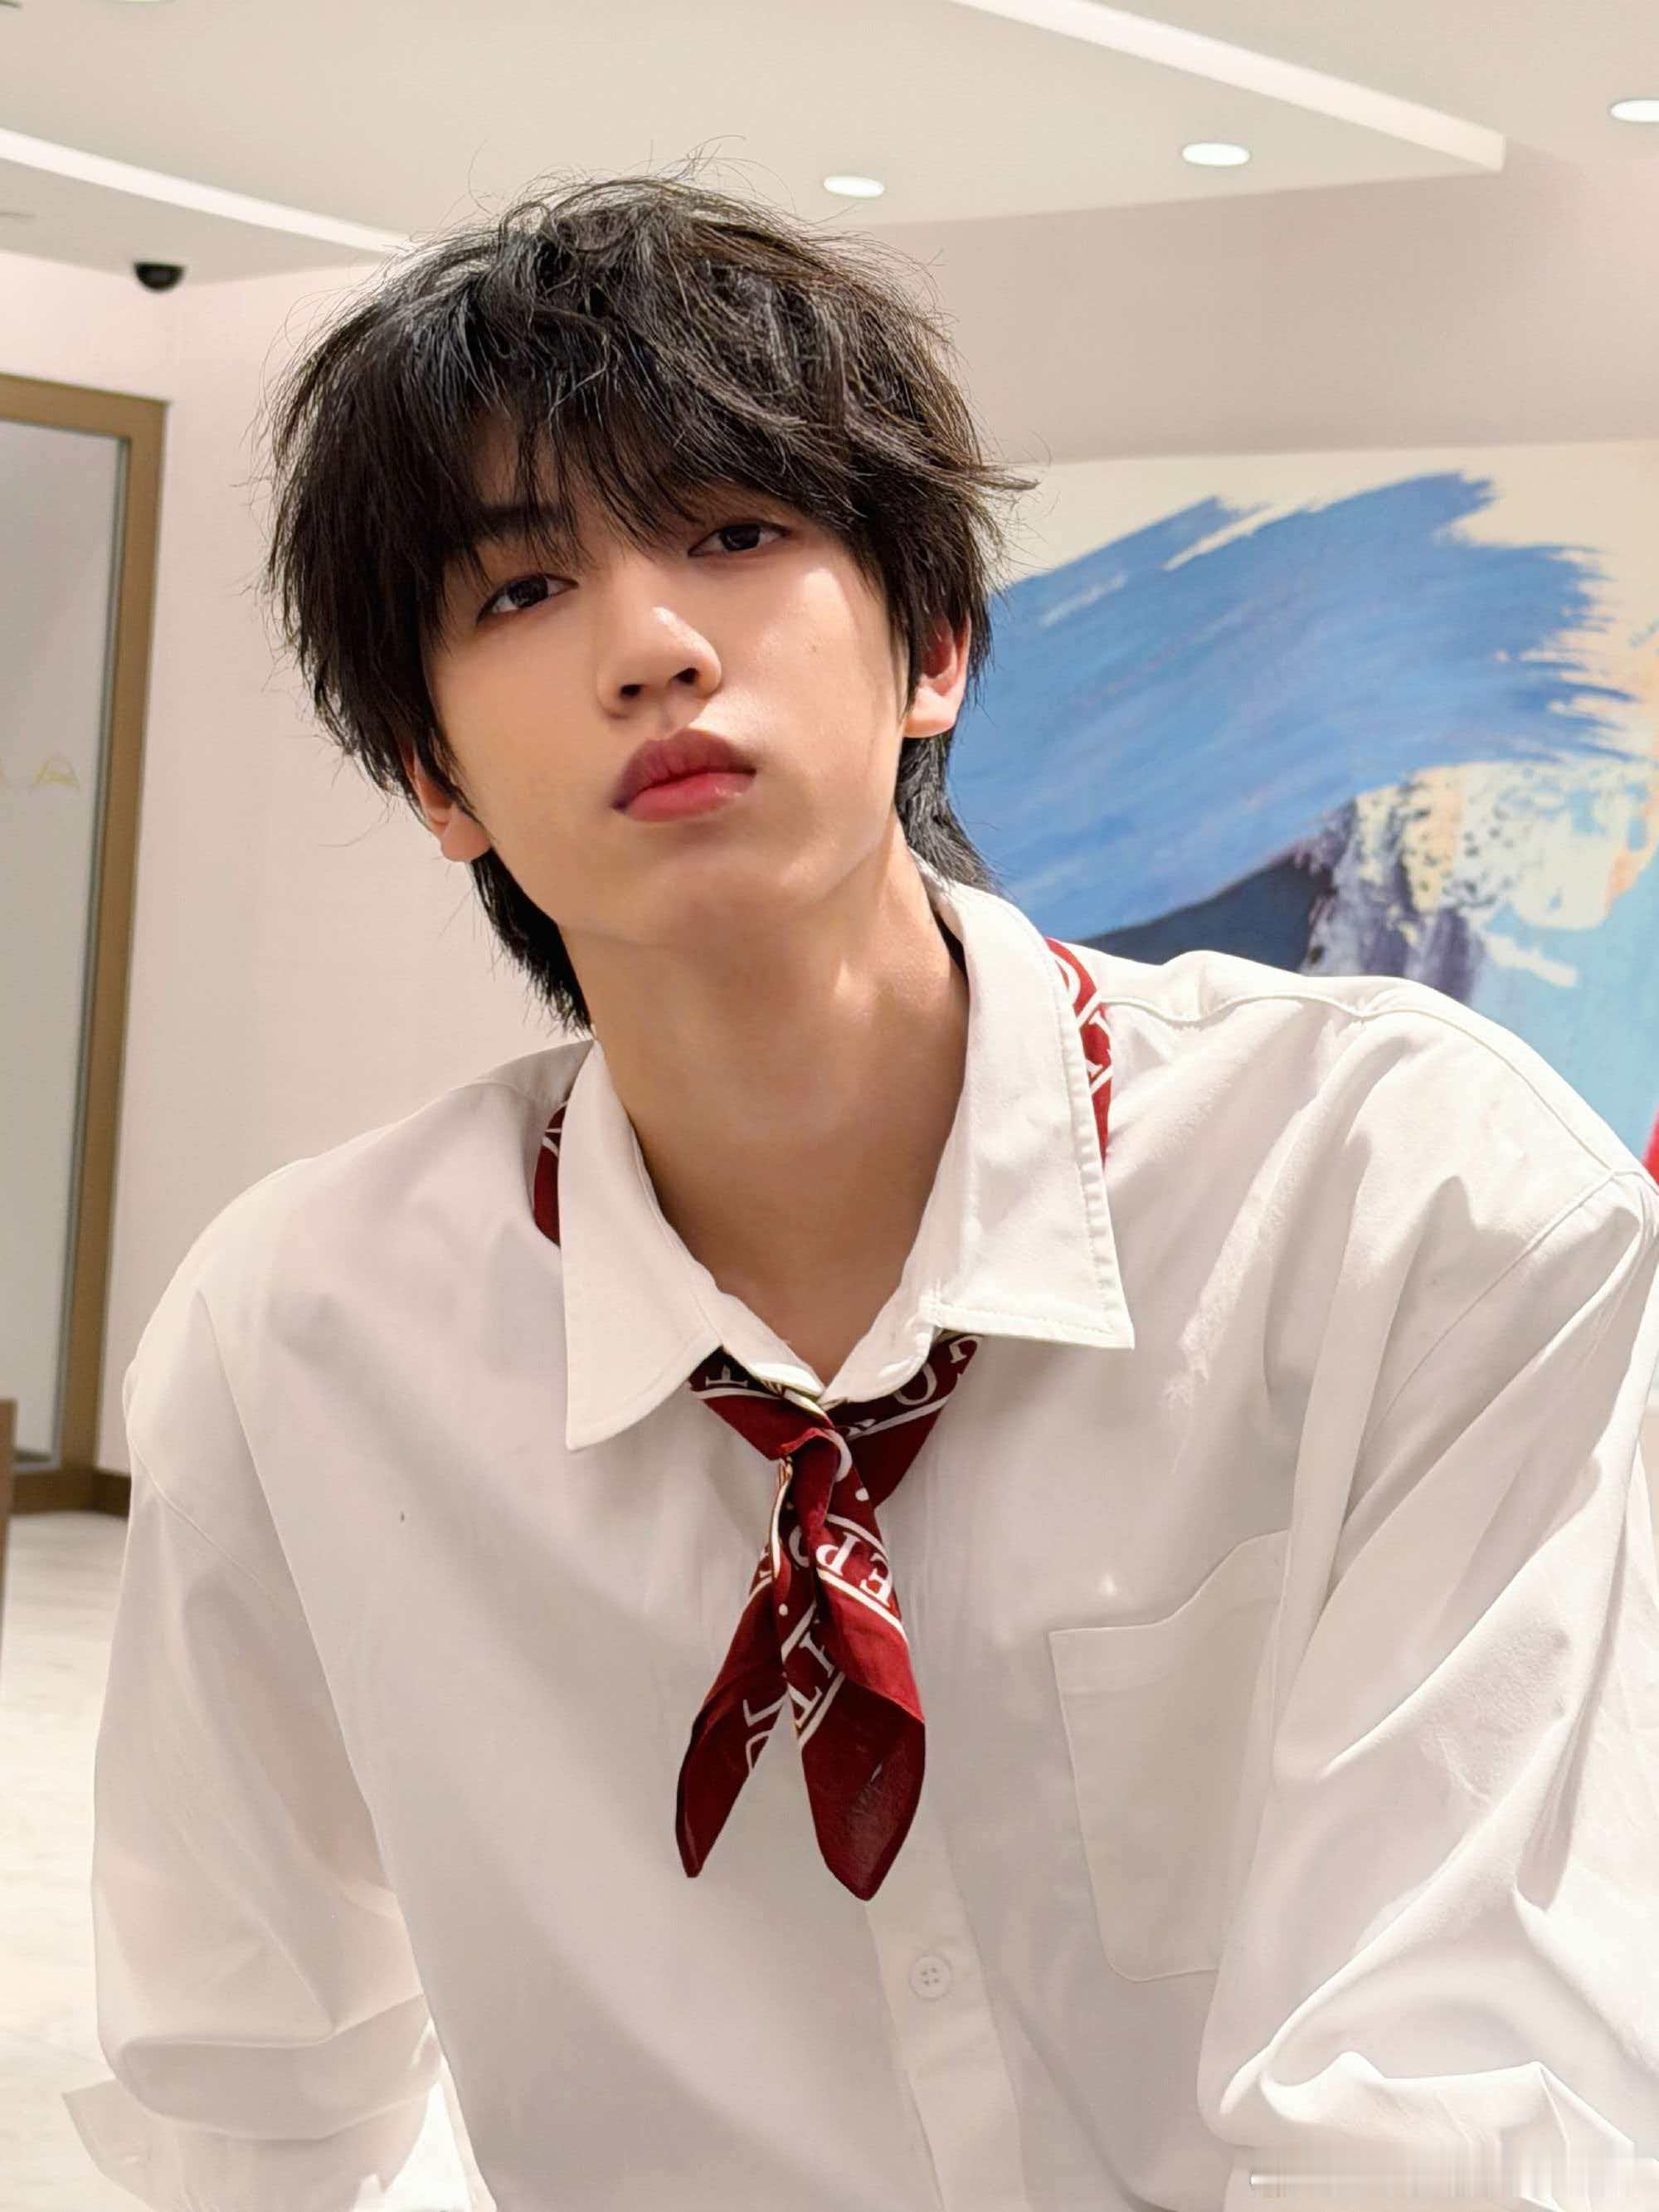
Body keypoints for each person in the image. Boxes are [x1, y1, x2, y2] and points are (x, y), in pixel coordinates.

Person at [64, 163, 1659, 2212]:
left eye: (735, 534)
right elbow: (242, 2105)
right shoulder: (303, 1337)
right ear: (435, 776)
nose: (649, 646)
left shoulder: (1404, 1202)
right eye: (520, 591)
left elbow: (1450, 2097)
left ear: (934, 645)